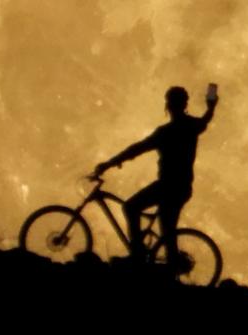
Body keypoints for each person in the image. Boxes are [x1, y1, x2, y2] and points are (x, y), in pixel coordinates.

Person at [92, 85, 218, 269]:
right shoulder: (191, 126)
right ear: (185, 104)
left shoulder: (165, 132)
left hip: (167, 185)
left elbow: (137, 149)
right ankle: (171, 262)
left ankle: (138, 255)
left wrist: (110, 163)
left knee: (131, 207)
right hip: (182, 187)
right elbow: (206, 119)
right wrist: (211, 105)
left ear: (168, 105)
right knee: (167, 228)